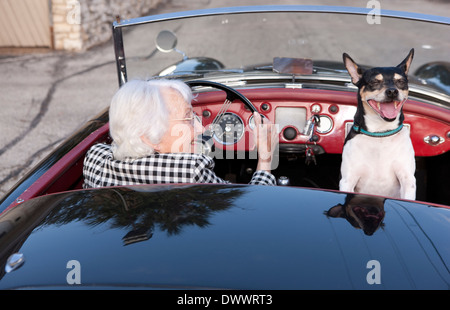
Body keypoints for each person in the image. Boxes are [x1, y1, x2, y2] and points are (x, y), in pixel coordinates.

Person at [83, 79, 278, 188]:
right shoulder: (192, 171)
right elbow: (252, 210)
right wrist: (265, 159)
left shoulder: (94, 158)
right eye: (189, 118)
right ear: (150, 138)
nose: (202, 129)